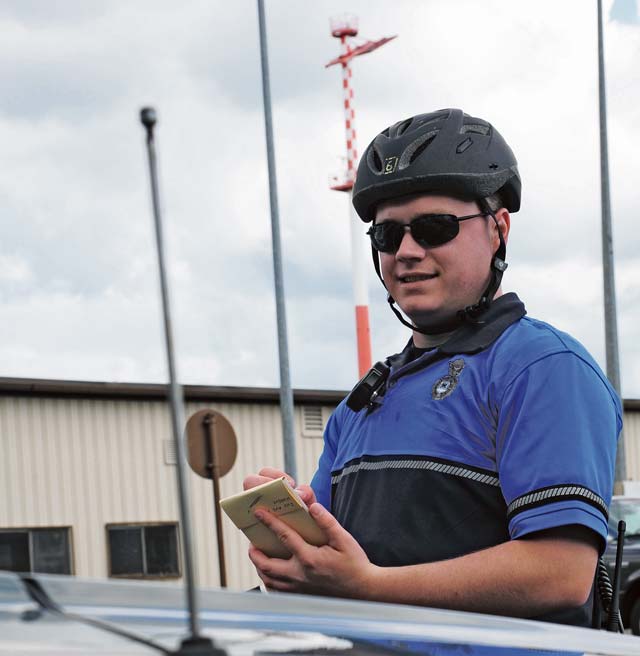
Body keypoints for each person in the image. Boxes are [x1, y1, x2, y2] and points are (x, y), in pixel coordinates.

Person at [244, 108, 622, 626]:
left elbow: (559, 571)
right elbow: (338, 572)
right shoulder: (364, 399)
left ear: (498, 229)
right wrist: (298, 555)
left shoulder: (541, 367)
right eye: (387, 235)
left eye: (434, 227)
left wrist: (370, 587)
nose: (406, 251)